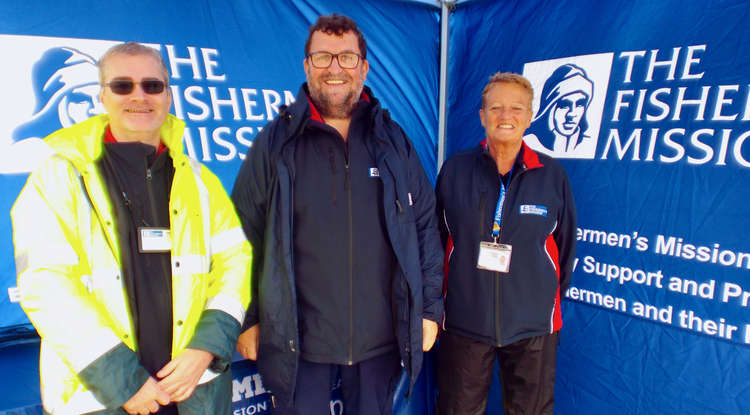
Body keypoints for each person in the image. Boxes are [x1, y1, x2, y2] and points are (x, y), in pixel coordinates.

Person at [12, 42, 252, 415]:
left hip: (193, 393)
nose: (139, 96)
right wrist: (123, 379)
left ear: (169, 96)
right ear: (102, 96)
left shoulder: (201, 181)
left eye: (152, 86)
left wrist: (205, 348)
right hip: (103, 398)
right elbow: (46, 284)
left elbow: (234, 267)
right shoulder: (58, 176)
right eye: (123, 86)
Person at [232, 14, 443, 415]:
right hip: (297, 341)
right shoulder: (275, 143)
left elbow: (424, 226)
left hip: (380, 339)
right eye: (323, 57)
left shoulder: (393, 141)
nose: (335, 68)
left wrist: (429, 310)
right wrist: (247, 318)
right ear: (306, 65)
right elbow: (242, 234)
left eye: (346, 58)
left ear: (363, 67)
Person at [435, 72, 577, 415]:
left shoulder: (551, 175)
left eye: (516, 108)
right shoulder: (455, 169)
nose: (505, 116)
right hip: (465, 321)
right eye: (495, 107)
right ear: (482, 115)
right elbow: (436, 240)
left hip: (533, 325)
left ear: (529, 116)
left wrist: (541, 301)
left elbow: (565, 245)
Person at [524, 63, 594, 156]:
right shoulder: (527, 143)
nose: (572, 114)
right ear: (550, 107)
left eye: (580, 104)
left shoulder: (586, 143)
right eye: (564, 105)